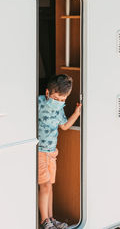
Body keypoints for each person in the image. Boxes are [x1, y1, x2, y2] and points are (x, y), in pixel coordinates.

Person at [38, 74, 82, 229]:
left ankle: (51, 218)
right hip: (40, 152)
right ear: (48, 93)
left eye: (63, 100)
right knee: (45, 186)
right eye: (56, 99)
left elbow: (64, 126)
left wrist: (76, 113)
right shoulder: (39, 103)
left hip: (51, 152)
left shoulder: (59, 110)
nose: (59, 103)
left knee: (50, 186)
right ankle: (44, 221)